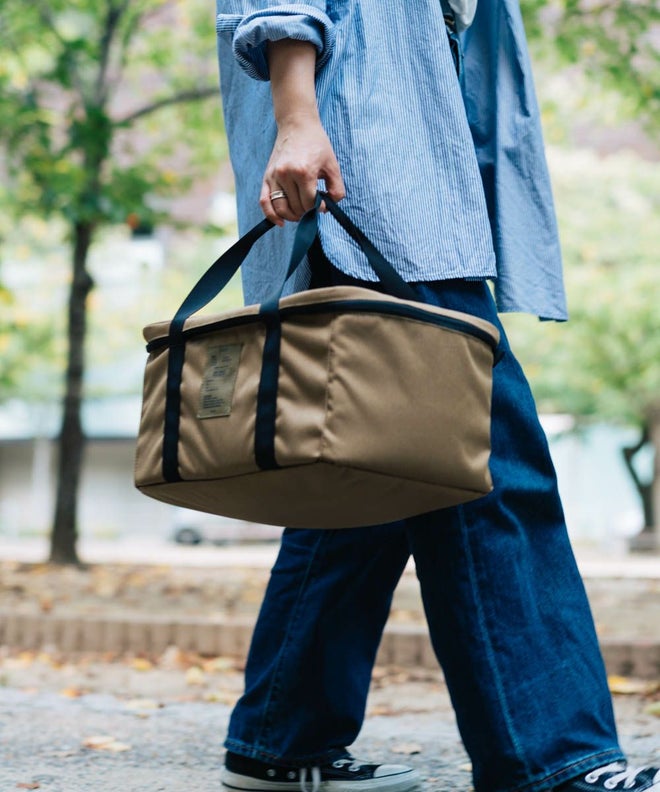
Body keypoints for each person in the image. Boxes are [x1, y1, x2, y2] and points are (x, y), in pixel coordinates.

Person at [214, 2, 660, 791]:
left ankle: (281, 739)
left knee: (376, 476)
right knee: (489, 468)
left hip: (402, 174)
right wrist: (296, 115)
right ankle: (555, 760)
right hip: (375, 181)